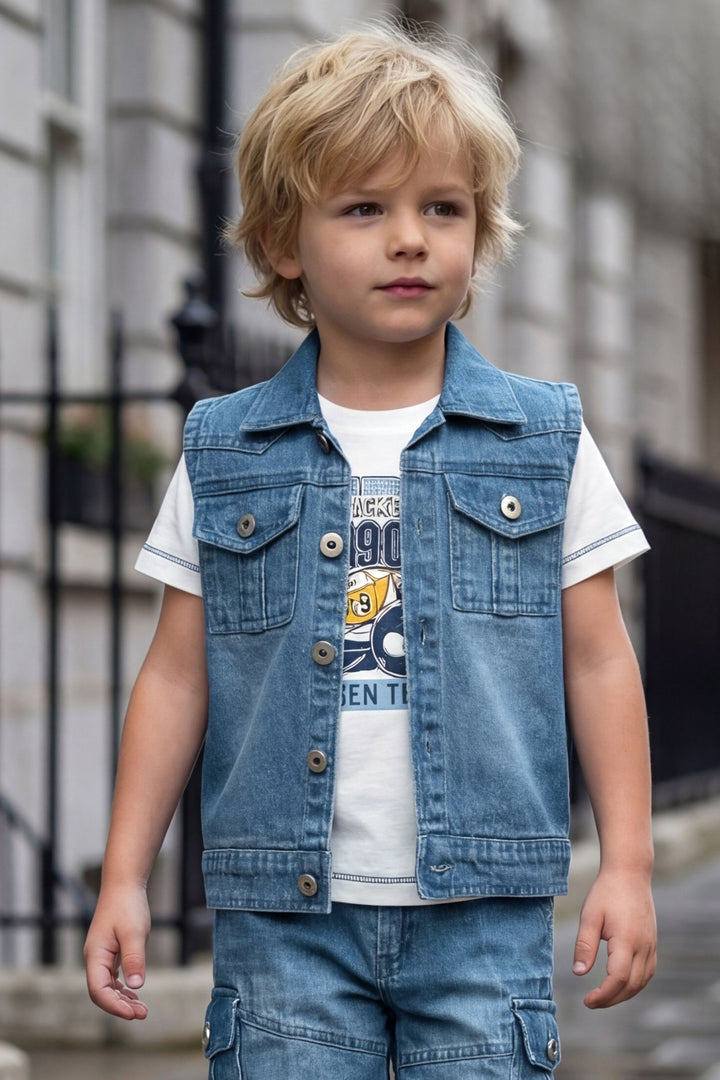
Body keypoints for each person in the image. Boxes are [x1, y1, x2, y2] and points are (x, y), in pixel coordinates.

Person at [84, 22, 657, 1078]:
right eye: (365, 208)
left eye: (442, 208)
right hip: (285, 922)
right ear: (283, 242)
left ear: (479, 232)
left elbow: (597, 656)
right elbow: (174, 675)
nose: (410, 239)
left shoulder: (543, 441)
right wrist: (125, 875)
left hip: (483, 913)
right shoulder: (226, 451)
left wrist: (626, 861)